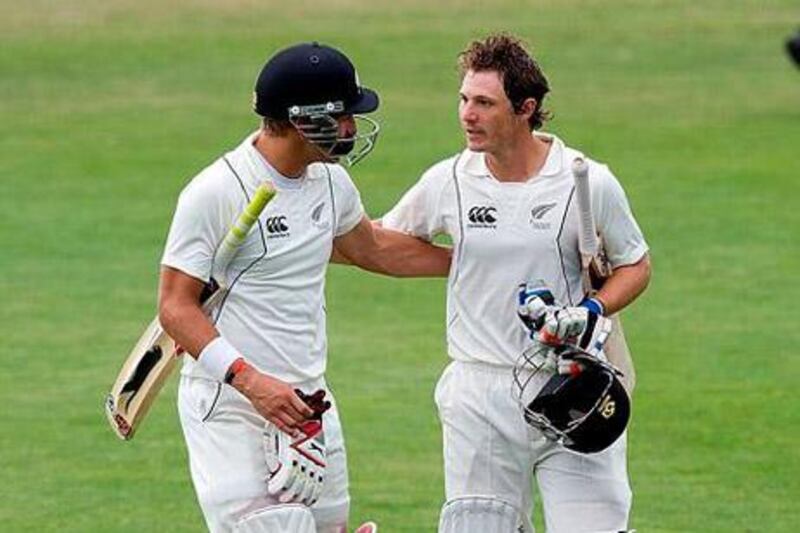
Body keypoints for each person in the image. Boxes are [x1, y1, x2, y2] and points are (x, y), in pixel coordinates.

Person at [158, 42, 450, 533]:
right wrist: (252, 383)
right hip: (231, 405)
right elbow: (175, 308)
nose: (353, 129)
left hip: (309, 403)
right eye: (344, 116)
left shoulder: (330, 184)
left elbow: (372, 248)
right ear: (303, 119)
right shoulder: (217, 191)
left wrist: (474, 263)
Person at [380, 34, 651, 532]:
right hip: (480, 393)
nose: (467, 114)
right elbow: (381, 242)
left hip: (574, 382)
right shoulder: (449, 180)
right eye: (464, 100)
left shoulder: (586, 181)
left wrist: (592, 311)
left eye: (484, 103)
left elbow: (635, 265)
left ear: (527, 108)